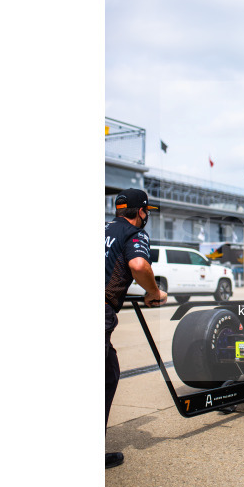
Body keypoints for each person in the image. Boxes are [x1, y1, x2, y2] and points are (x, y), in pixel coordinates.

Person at [105, 188, 167, 468]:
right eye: (146, 212)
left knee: (110, 372)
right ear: (141, 211)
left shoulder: (103, 229)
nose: (146, 217)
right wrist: (153, 291)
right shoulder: (134, 233)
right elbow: (139, 264)